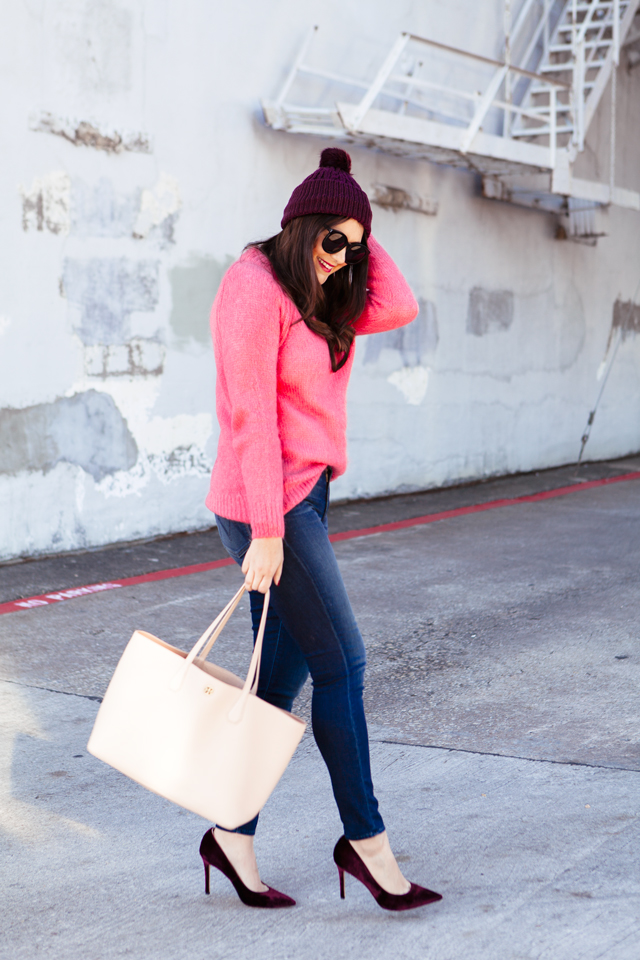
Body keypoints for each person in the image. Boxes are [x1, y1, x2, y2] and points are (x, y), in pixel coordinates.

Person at [201, 147, 442, 912]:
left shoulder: (331, 292)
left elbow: (399, 304)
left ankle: (231, 835)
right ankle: (365, 843)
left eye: (355, 247)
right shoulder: (252, 286)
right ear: (298, 227)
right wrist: (268, 531)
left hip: (307, 495)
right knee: (344, 665)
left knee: (278, 681)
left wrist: (360, 227)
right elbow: (250, 419)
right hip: (263, 506)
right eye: (329, 241)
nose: (343, 260)